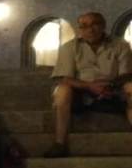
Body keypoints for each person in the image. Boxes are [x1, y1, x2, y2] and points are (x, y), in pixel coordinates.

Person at [45, 11, 132, 157]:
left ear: (103, 26)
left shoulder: (120, 45)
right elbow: (64, 78)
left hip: (113, 90)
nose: (90, 29)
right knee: (62, 91)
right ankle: (60, 143)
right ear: (79, 29)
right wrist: (90, 86)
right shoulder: (69, 47)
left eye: (95, 24)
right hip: (81, 93)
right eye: (84, 26)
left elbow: (126, 74)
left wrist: (109, 86)